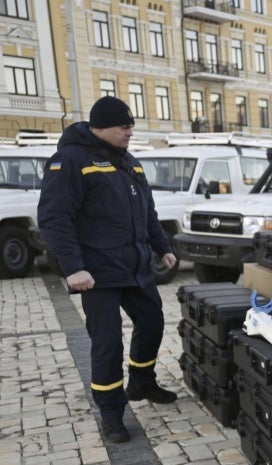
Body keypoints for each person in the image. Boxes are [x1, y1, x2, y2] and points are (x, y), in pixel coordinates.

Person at [38, 95, 178, 444]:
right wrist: (73, 268)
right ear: (100, 127)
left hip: (135, 267)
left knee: (153, 322)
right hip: (96, 273)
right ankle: (111, 412)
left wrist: (163, 248)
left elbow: (147, 212)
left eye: (131, 125)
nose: (130, 131)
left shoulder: (128, 161)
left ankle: (142, 382)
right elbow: (55, 218)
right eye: (124, 126)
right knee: (107, 343)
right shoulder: (70, 160)